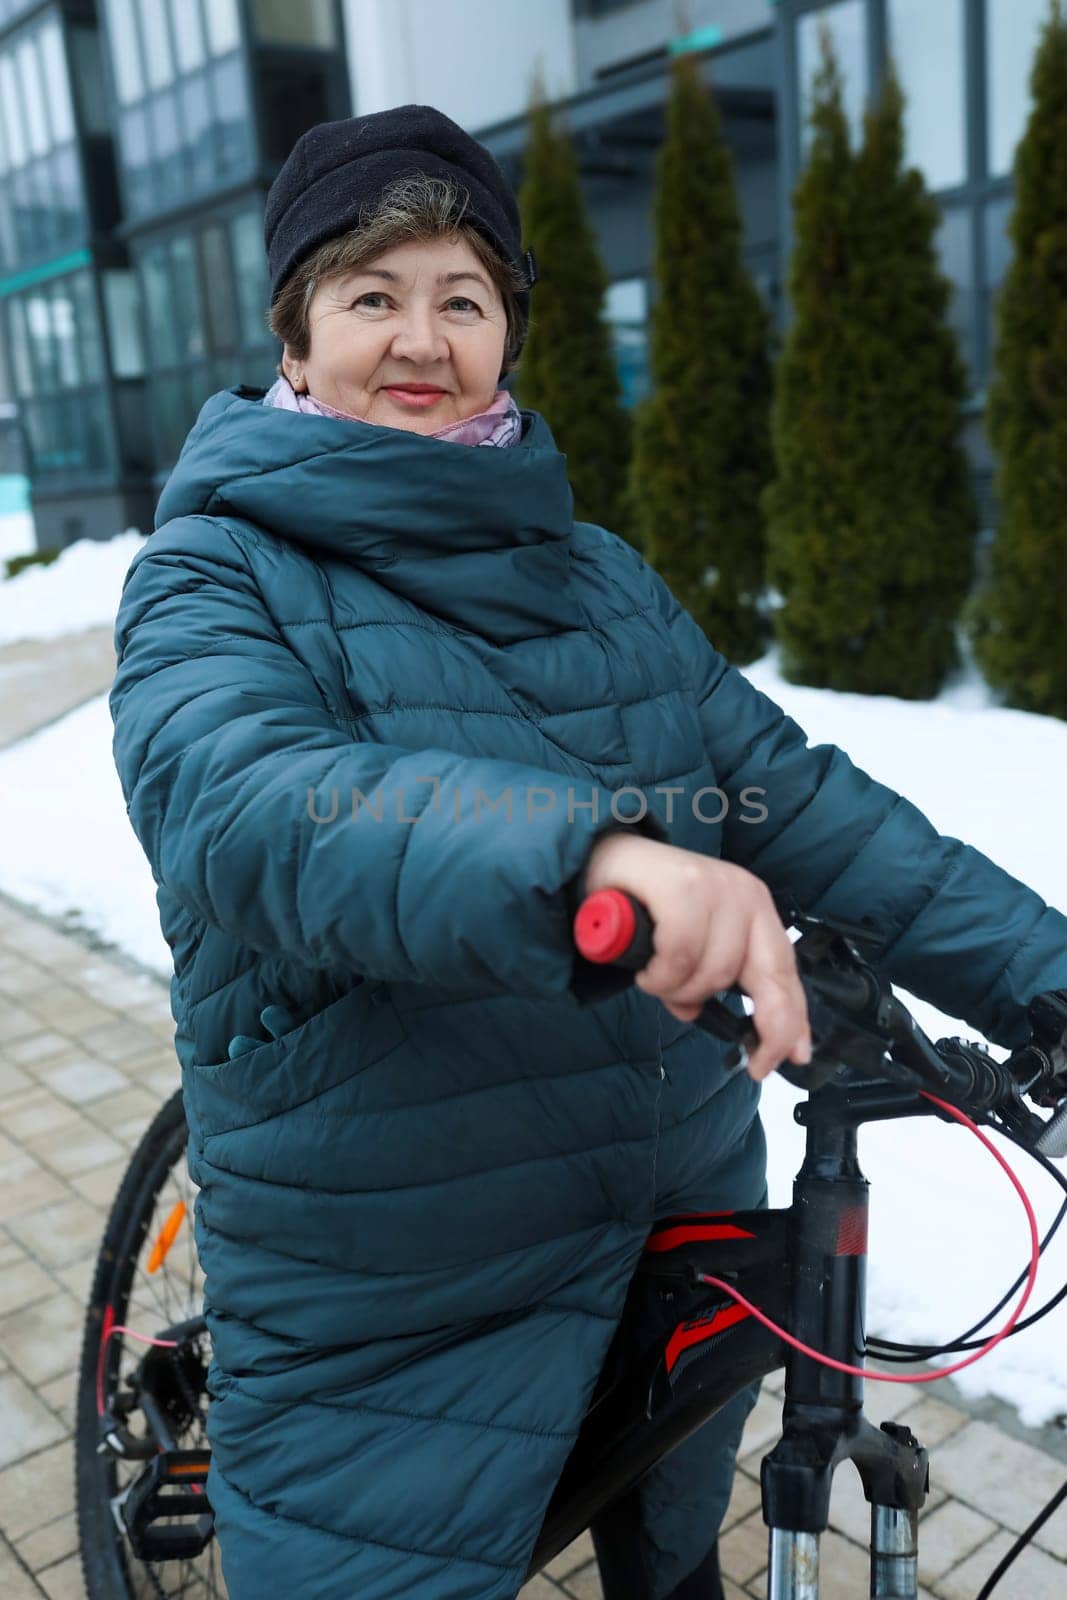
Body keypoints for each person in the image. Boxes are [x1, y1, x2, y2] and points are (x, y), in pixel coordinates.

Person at [109, 105, 1067, 1600]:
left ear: (507, 333)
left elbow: (795, 801)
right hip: (403, 1287)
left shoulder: (600, 578)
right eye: (373, 295)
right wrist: (593, 866)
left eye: (464, 298)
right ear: (296, 339)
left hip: (677, 1221)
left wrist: (1046, 979)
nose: (422, 338)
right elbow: (248, 803)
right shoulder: (213, 574)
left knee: (679, 1567)